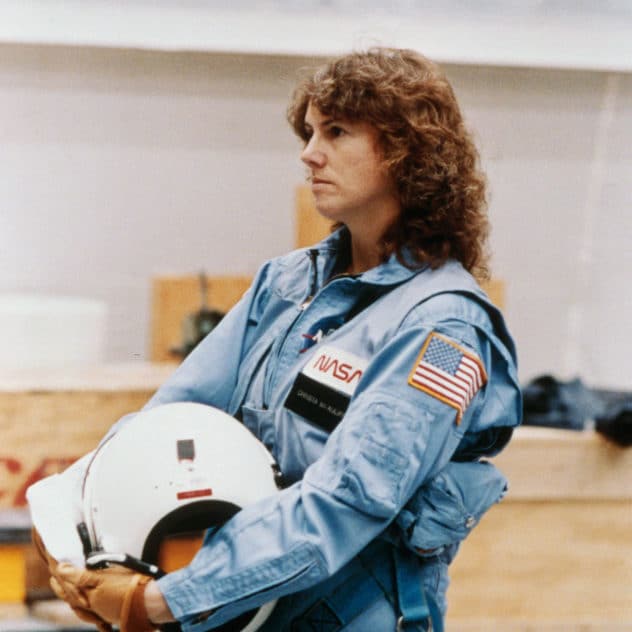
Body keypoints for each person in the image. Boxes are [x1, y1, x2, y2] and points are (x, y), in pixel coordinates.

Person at [37, 48, 521, 631]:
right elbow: (169, 419)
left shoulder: (445, 331)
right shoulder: (286, 284)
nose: (309, 153)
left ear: (404, 152)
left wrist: (164, 602)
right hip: (246, 608)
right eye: (310, 131)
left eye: (336, 132)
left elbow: (347, 502)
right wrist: (71, 519)